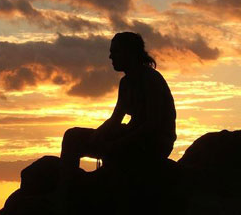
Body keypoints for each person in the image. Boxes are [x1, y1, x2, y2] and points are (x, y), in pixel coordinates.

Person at [61, 32, 176, 170]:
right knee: (73, 137)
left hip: (155, 143)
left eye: (115, 51)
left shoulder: (151, 79)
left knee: (109, 146)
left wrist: (117, 143)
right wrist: (98, 134)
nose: (110, 56)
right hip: (132, 136)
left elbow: (152, 125)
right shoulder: (125, 83)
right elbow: (116, 119)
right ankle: (68, 186)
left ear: (129, 53)